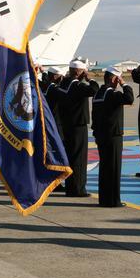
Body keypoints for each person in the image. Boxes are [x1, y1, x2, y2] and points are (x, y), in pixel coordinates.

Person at [92, 67, 134, 207]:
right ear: (114, 79)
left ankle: (104, 199)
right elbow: (129, 99)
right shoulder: (112, 94)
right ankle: (113, 200)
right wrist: (125, 84)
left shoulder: (98, 93)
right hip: (113, 135)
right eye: (118, 79)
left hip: (101, 134)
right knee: (114, 168)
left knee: (104, 168)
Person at [58, 60, 99, 197]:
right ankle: (78, 189)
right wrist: (90, 79)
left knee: (70, 156)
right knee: (79, 158)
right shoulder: (76, 85)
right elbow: (94, 90)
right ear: (78, 72)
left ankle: (70, 186)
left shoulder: (64, 83)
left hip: (66, 123)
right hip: (78, 125)